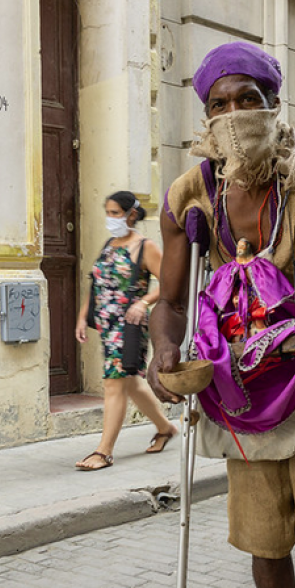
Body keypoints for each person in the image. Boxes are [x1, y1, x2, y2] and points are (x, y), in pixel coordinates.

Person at [147, 42, 295, 588]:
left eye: (248, 100)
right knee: (265, 539)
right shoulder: (188, 197)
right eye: (220, 105)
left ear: (274, 104)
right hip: (242, 394)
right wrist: (163, 351)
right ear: (207, 115)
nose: (234, 116)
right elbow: (172, 300)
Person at [74, 191, 178, 470]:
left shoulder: (146, 247)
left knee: (114, 383)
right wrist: (83, 318)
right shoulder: (109, 244)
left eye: (115, 213)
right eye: (108, 213)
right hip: (108, 327)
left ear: (132, 214)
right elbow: (95, 283)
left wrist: (143, 302)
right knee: (129, 382)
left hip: (130, 327)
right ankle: (165, 428)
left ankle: (103, 451)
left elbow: (169, 282)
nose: (111, 219)